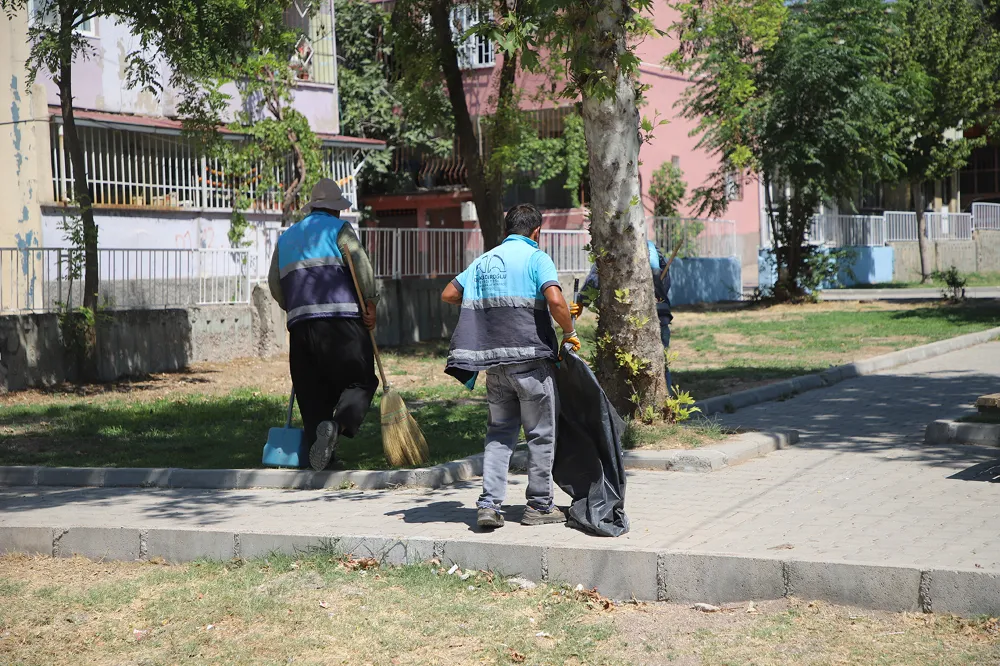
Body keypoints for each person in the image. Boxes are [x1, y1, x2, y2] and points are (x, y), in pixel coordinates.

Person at [441, 204, 580, 530]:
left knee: (499, 435)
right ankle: (539, 506)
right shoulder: (537, 258)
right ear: (536, 233)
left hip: (495, 367)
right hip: (531, 364)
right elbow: (557, 302)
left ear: (507, 229)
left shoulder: (483, 261)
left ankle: (489, 505)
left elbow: (448, 293)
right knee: (540, 435)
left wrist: (488, 307)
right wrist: (570, 332)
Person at [268, 178, 379, 471]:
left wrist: (293, 307)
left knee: (313, 391)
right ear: (336, 209)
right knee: (361, 380)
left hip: (301, 326)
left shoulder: (287, 237)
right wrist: (370, 303)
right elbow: (361, 267)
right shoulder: (340, 230)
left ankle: (325, 460)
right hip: (342, 320)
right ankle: (337, 425)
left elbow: (274, 284)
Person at [571, 239, 673, 387]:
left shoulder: (615, 249)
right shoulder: (654, 252)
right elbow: (665, 284)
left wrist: (581, 301)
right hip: (659, 318)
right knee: (659, 368)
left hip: (625, 325)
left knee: (621, 371)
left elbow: (596, 277)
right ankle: (664, 406)